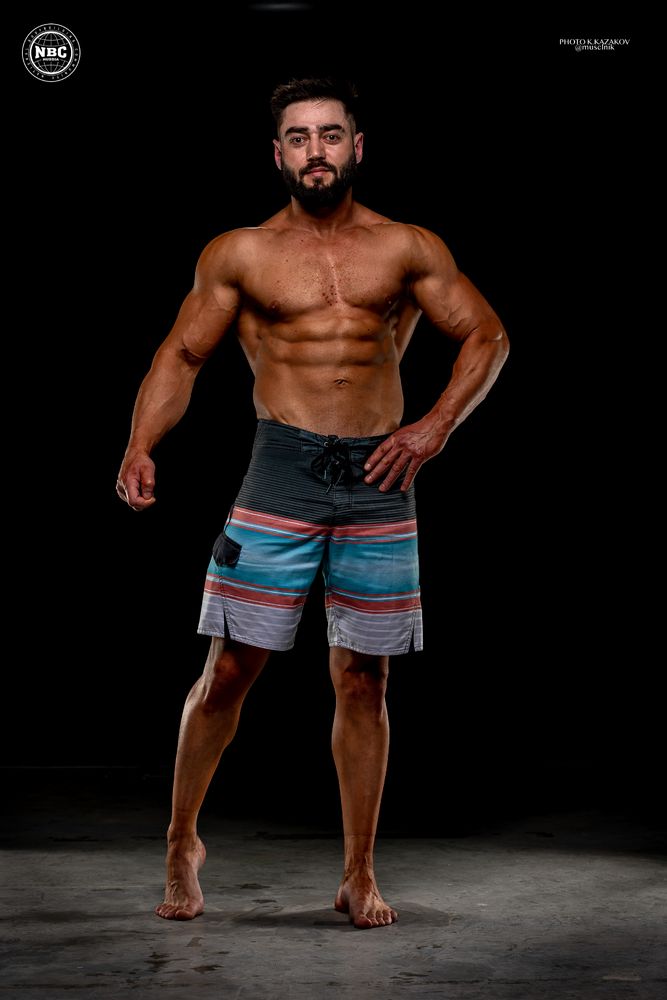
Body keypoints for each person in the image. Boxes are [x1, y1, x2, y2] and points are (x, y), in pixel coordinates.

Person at [116, 76, 509, 929]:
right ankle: (181, 841)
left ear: (356, 147)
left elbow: (487, 333)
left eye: (330, 135)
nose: (315, 150)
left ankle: (357, 873)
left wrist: (435, 426)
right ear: (278, 154)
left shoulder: (406, 246)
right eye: (298, 138)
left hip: (380, 478)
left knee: (365, 680)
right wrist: (140, 444)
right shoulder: (240, 253)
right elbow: (180, 356)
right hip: (280, 470)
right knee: (229, 670)